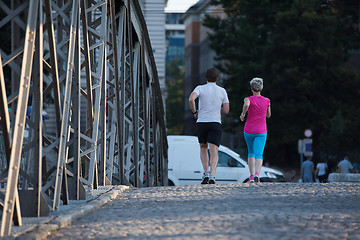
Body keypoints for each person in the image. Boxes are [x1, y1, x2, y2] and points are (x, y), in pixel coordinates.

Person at [188, 68, 229, 184]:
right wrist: (216, 109)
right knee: (214, 151)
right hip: (215, 123)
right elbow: (226, 110)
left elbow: (191, 99)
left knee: (203, 148)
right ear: (217, 78)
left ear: (206, 78)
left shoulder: (200, 88)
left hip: (201, 122)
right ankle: (212, 176)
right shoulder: (222, 91)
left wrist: (195, 111)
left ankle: (205, 173)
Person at [240, 77, 271, 183]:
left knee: (251, 152)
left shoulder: (248, 99)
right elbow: (268, 115)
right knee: (259, 154)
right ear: (261, 88)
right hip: (261, 131)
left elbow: (246, 104)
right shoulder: (267, 100)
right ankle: (257, 174)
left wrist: (243, 114)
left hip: (249, 130)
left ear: (251, 88)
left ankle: (252, 176)